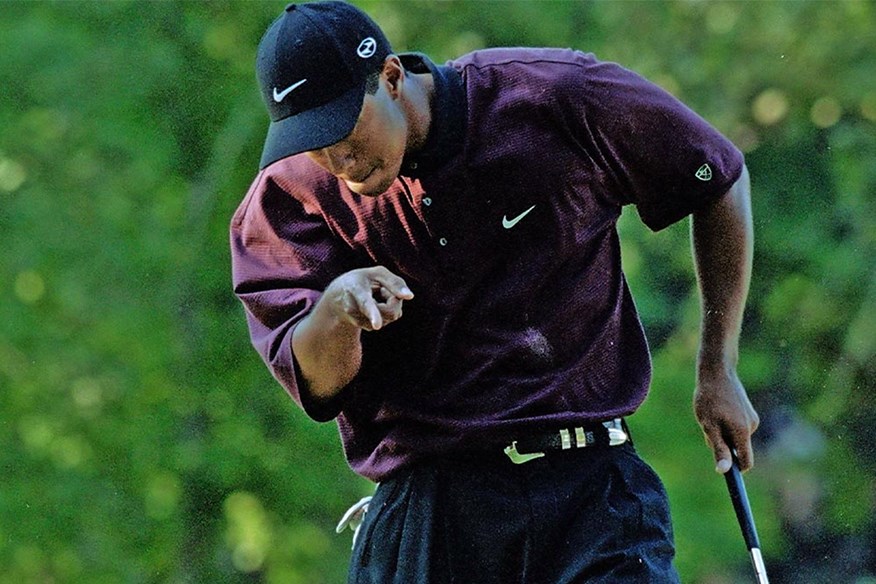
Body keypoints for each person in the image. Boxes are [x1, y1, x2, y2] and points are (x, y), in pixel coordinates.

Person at [230, 1, 760, 582]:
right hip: (427, 512)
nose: (338, 159)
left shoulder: (556, 96)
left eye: (343, 130)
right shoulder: (290, 198)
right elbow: (315, 382)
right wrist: (337, 310)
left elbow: (715, 176)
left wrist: (718, 367)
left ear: (389, 77)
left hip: (590, 489)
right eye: (314, 142)